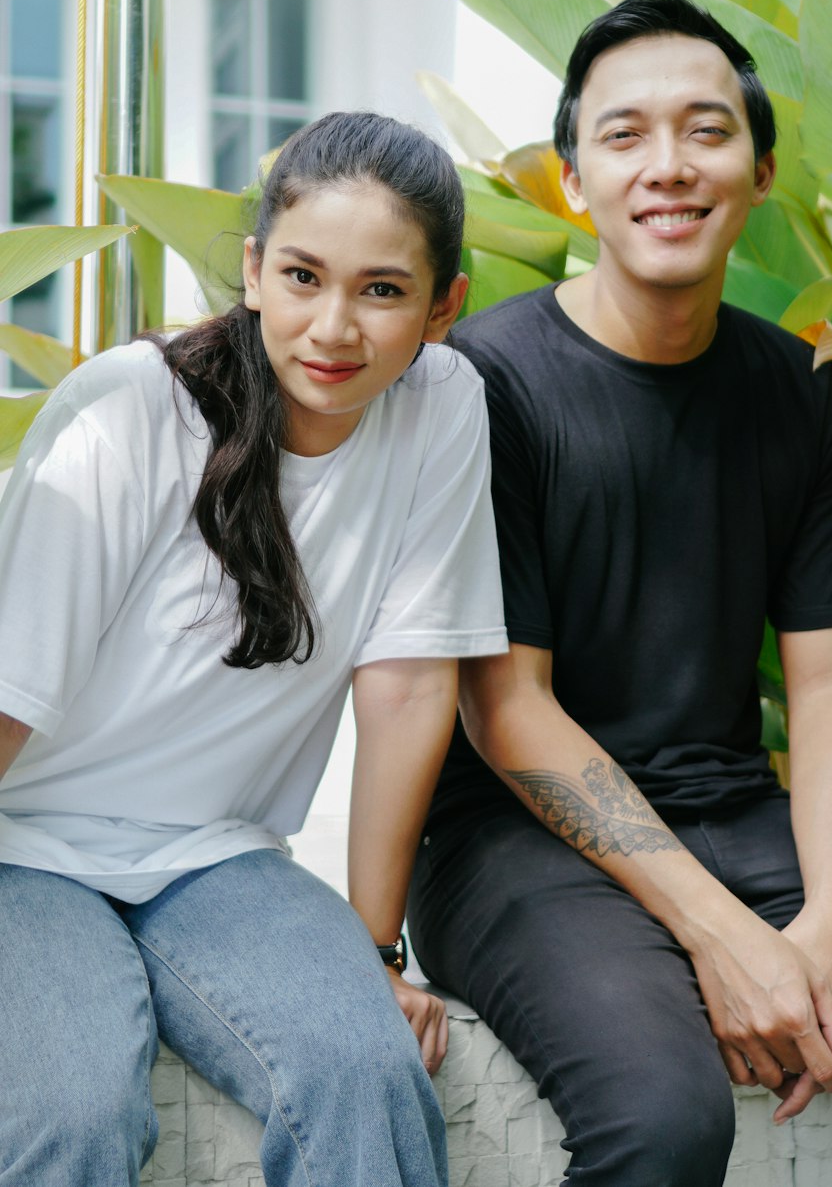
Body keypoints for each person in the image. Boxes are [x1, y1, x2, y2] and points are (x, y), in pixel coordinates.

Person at [407, 0, 832, 1187]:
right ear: (572, 178)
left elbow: (831, 677)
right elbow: (504, 706)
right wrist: (722, 934)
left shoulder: (804, 396)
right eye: (623, 135)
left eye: (705, 130)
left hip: (746, 817)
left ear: (761, 170)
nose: (667, 166)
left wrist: (829, 927)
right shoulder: (480, 388)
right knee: (665, 1121)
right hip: (512, 839)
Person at [0, 110, 507, 1187]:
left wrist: (376, 950)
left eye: (381, 289)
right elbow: (8, 688)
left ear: (444, 307)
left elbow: (411, 685)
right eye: (303, 275)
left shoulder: (443, 407)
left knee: (366, 1071)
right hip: (19, 841)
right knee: (69, 1106)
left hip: (214, 852)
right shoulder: (128, 413)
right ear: (252, 269)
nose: (333, 326)